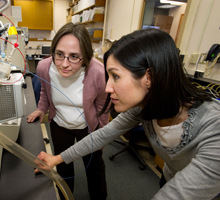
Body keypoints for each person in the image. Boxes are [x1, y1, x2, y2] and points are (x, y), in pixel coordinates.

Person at [35, 28, 220, 200]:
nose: (107, 88)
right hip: (170, 177)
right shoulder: (144, 107)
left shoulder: (214, 129)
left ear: (149, 77)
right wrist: (56, 159)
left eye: (115, 76)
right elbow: (102, 135)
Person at [27, 22, 109, 200]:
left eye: (74, 56)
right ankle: (66, 196)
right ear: (53, 50)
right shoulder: (44, 67)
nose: (64, 64)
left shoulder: (98, 72)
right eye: (59, 54)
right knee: (63, 166)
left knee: (94, 167)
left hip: (89, 128)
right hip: (60, 125)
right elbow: (44, 90)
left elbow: (104, 105)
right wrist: (42, 109)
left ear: (86, 56)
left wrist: (103, 133)